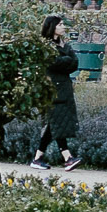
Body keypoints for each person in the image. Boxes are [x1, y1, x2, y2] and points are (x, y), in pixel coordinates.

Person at [32, 11, 81, 168]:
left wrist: (64, 61)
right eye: (60, 24)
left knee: (54, 124)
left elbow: (74, 63)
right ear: (52, 27)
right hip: (52, 89)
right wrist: (65, 60)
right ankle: (67, 158)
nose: (63, 27)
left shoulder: (63, 45)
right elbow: (53, 63)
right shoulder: (45, 46)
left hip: (64, 88)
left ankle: (37, 159)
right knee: (57, 121)